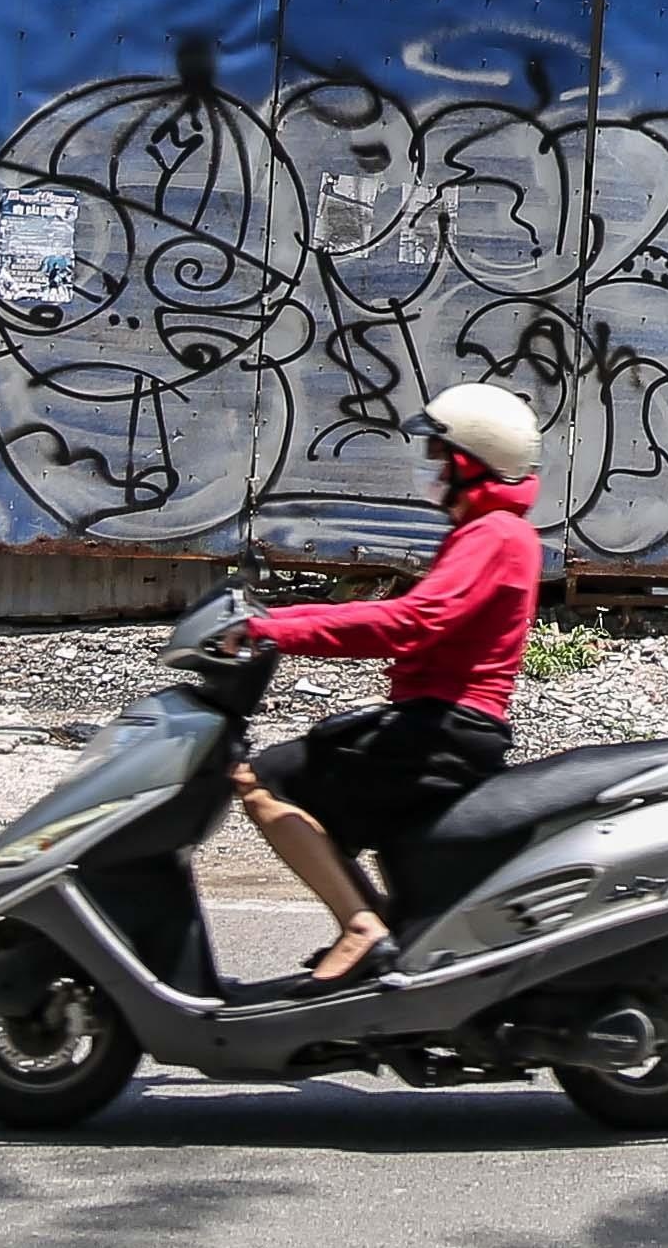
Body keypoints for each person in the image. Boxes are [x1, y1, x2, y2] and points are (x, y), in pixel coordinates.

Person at [231, 383, 546, 986]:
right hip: (442, 722)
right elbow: (406, 617)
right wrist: (272, 621)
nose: (431, 470)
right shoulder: (492, 533)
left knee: (266, 779)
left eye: (440, 457)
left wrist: (273, 631)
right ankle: (377, 932)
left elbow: (410, 623)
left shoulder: (495, 536)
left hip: (445, 728)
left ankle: (361, 927)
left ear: (470, 462)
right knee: (308, 770)